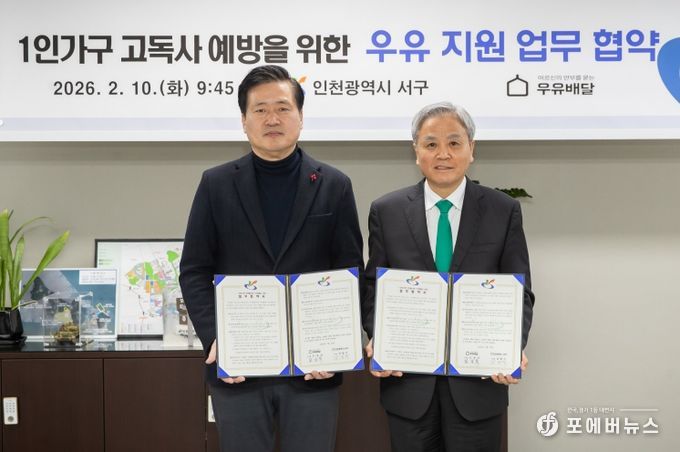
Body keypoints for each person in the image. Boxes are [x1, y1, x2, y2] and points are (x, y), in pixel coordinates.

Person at [179, 65, 364, 452]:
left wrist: (337, 345)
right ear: (244, 121)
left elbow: (350, 272)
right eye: (260, 110)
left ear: (300, 116)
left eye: (282, 108)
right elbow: (195, 271)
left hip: (314, 369)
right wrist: (216, 338)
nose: (272, 119)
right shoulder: (215, 184)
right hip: (239, 367)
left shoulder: (334, 184)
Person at [363, 102, 535, 452]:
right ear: (416, 151)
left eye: (454, 143)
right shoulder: (387, 211)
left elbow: (520, 292)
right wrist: (377, 335)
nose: (443, 154)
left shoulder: (502, 211)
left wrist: (510, 346)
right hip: (408, 384)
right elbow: (373, 288)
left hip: (478, 386)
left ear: (472, 148)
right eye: (431, 144)